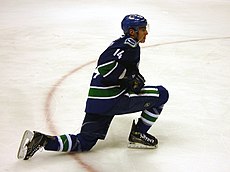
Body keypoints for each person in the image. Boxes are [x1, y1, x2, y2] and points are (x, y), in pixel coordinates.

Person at [17, 14, 169, 160]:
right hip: (114, 98)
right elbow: (104, 67)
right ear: (132, 31)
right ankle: (138, 134)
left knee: (84, 142)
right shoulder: (128, 46)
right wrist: (129, 79)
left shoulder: (122, 43)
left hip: (97, 102)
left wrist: (129, 78)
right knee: (162, 94)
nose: (146, 32)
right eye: (143, 29)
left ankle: (42, 140)